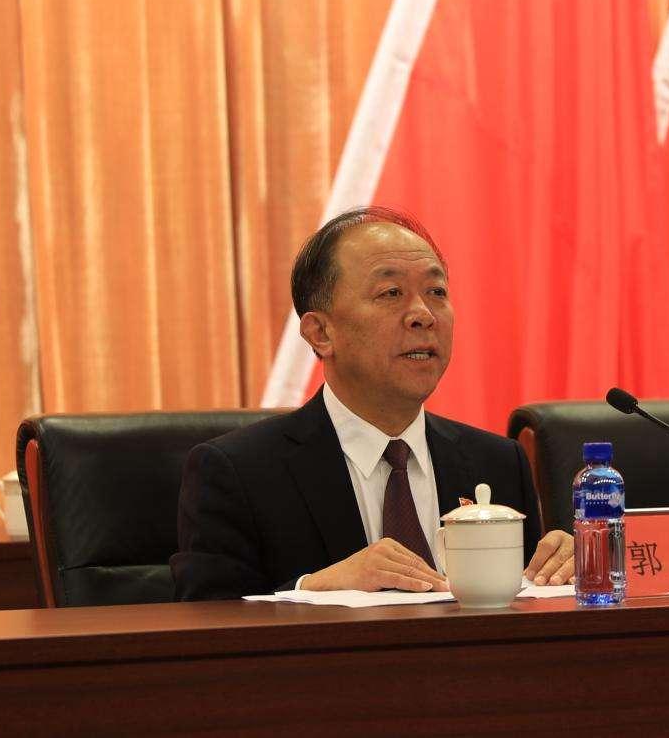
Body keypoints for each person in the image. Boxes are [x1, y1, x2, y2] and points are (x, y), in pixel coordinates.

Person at [171, 207, 574, 599]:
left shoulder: (498, 463)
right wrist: (310, 589)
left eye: (436, 292)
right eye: (391, 293)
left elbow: (520, 612)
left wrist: (565, 571)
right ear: (321, 333)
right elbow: (207, 622)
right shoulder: (238, 472)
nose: (423, 314)